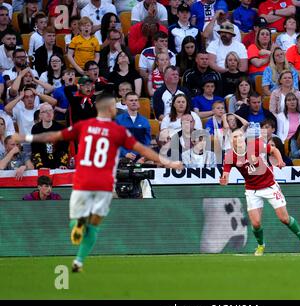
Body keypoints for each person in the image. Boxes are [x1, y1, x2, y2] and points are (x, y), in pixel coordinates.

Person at [12, 92, 183, 273]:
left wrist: (26, 138)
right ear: (111, 109)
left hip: (84, 180)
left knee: (76, 220)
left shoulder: (84, 125)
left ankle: (77, 232)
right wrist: (169, 162)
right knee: (94, 226)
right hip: (103, 183)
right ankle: (79, 260)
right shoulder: (118, 131)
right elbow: (144, 151)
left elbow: (52, 137)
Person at [219, 128, 300, 256]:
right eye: (235, 137)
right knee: (256, 223)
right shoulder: (230, 156)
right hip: (252, 189)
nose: (239, 138)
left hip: (269, 185)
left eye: (241, 135)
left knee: (284, 218)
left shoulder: (254, 145)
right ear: (232, 141)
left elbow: (273, 150)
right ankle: (260, 245)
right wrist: (224, 179)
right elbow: (225, 174)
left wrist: (280, 161)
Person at [115, 92, 151, 163]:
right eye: (131, 100)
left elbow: (147, 141)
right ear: (126, 102)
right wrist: (125, 153)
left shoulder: (144, 121)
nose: (134, 102)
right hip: (122, 156)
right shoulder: (118, 120)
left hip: (140, 156)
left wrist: (141, 156)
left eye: (136, 100)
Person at [31, 103, 69, 169]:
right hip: (42, 164)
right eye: (45, 111)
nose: (49, 113)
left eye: (50, 110)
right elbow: (35, 150)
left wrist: (62, 164)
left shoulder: (61, 128)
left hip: (58, 164)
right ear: (40, 115)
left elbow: (64, 149)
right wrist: (40, 166)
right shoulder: (36, 129)